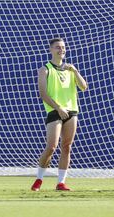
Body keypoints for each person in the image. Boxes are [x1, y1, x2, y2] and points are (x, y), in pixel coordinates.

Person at [31, 38, 87, 191]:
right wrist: (58, 108)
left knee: (67, 146)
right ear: (51, 50)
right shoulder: (45, 69)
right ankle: (39, 179)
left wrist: (75, 71)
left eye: (63, 47)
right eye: (57, 47)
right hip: (54, 111)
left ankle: (61, 182)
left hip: (72, 111)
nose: (61, 50)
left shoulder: (70, 69)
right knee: (51, 146)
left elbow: (84, 87)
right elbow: (43, 94)